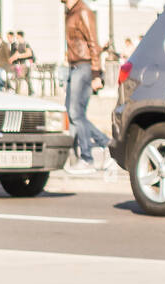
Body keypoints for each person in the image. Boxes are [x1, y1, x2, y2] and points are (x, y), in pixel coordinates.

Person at [63, 0, 113, 173]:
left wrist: (96, 74)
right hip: (74, 67)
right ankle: (105, 145)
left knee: (76, 113)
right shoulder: (70, 11)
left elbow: (93, 43)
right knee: (72, 113)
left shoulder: (83, 11)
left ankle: (87, 158)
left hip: (83, 67)